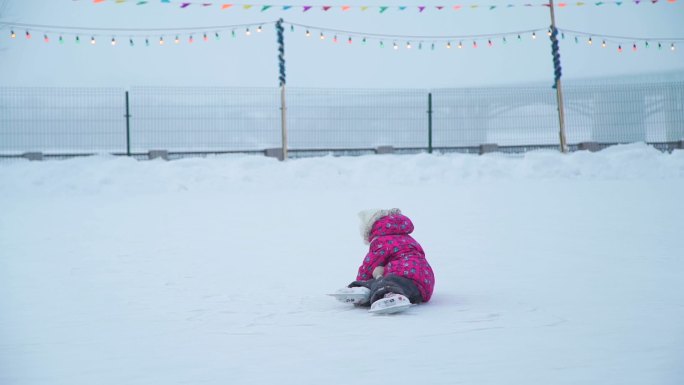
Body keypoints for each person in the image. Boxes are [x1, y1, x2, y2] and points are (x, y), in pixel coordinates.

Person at [341, 208, 435, 311]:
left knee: (387, 282)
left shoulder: (381, 241)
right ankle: (377, 291)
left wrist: (361, 280)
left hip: (403, 276)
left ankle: (386, 294)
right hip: (424, 284)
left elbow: (369, 265)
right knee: (382, 280)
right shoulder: (408, 239)